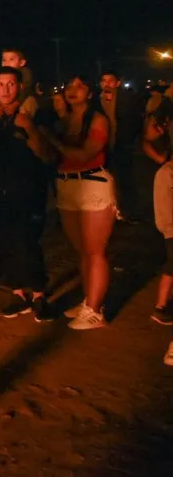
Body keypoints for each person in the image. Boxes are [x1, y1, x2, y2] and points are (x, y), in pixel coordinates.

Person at [0, 68, 52, 321]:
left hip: (29, 189)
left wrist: (29, 128)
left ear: (19, 87)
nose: (6, 89)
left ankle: (40, 295)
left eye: (11, 84)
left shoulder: (34, 113)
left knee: (28, 243)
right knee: (4, 243)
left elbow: (46, 155)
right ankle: (19, 294)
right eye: (0, 84)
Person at [44, 74, 115, 331]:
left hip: (93, 183)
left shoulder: (97, 120)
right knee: (82, 250)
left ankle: (95, 311)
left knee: (95, 251)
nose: (73, 90)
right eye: (70, 85)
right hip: (67, 184)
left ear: (91, 93)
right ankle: (90, 301)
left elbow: (85, 154)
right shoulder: (63, 121)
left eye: (80, 85)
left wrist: (51, 140)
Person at [99, 71, 145, 221]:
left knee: (125, 179)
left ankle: (129, 211)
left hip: (122, 144)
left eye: (110, 81)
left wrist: (126, 141)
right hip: (104, 145)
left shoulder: (127, 99)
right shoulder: (97, 100)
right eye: (103, 80)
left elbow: (134, 122)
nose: (106, 84)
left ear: (118, 83)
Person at [147, 114, 173, 326]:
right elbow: (164, 208)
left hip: (169, 229)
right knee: (171, 267)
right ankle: (161, 306)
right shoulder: (167, 173)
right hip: (172, 229)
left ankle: (161, 306)